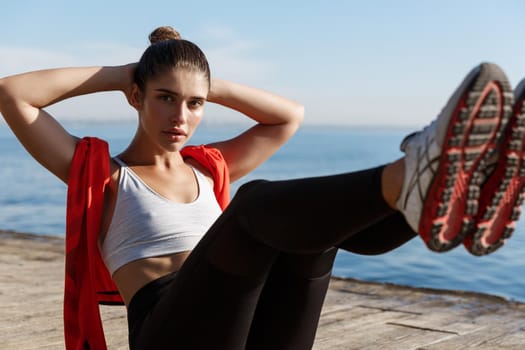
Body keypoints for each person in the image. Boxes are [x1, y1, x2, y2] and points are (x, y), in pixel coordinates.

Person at [0, 26, 524, 350]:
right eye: (163, 98)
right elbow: (14, 94)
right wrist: (127, 71)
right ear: (134, 97)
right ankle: (411, 179)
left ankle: (442, 195)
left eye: (194, 103)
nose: (180, 116)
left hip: (251, 333)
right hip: (168, 331)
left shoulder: (209, 168)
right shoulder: (103, 175)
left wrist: (196, 78)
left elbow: (288, 117)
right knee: (253, 209)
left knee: (308, 233)